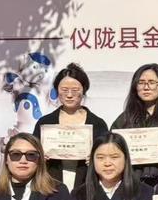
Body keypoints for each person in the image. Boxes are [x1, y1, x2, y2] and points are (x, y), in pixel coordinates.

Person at [33, 62, 109, 192]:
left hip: (87, 188)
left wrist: (97, 159)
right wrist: (38, 157)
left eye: (75, 90)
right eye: (64, 90)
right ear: (57, 91)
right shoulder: (45, 123)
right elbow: (32, 154)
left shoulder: (97, 124)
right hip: (51, 188)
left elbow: (108, 157)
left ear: (84, 90)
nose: (69, 95)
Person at [110, 63, 158, 189]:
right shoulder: (124, 120)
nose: (146, 87)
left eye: (152, 82)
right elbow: (111, 150)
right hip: (131, 185)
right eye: (141, 83)